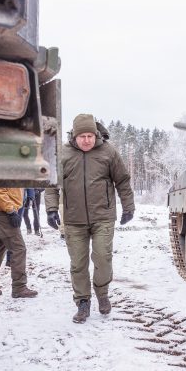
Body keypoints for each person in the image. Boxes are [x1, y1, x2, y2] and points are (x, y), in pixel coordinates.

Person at [46, 114, 134, 323]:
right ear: (74, 136)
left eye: (90, 136)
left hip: (102, 216)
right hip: (74, 219)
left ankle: (102, 294)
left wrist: (128, 206)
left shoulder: (108, 152)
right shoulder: (63, 154)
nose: (86, 140)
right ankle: (83, 301)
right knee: (78, 263)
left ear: (95, 135)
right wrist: (51, 209)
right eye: (82, 136)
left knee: (103, 258)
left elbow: (122, 180)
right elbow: (51, 185)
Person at [0, 187, 38, 298]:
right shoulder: (9, 170)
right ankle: (19, 287)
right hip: (5, 212)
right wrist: (11, 211)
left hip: (5, 210)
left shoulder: (16, 170)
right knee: (19, 249)